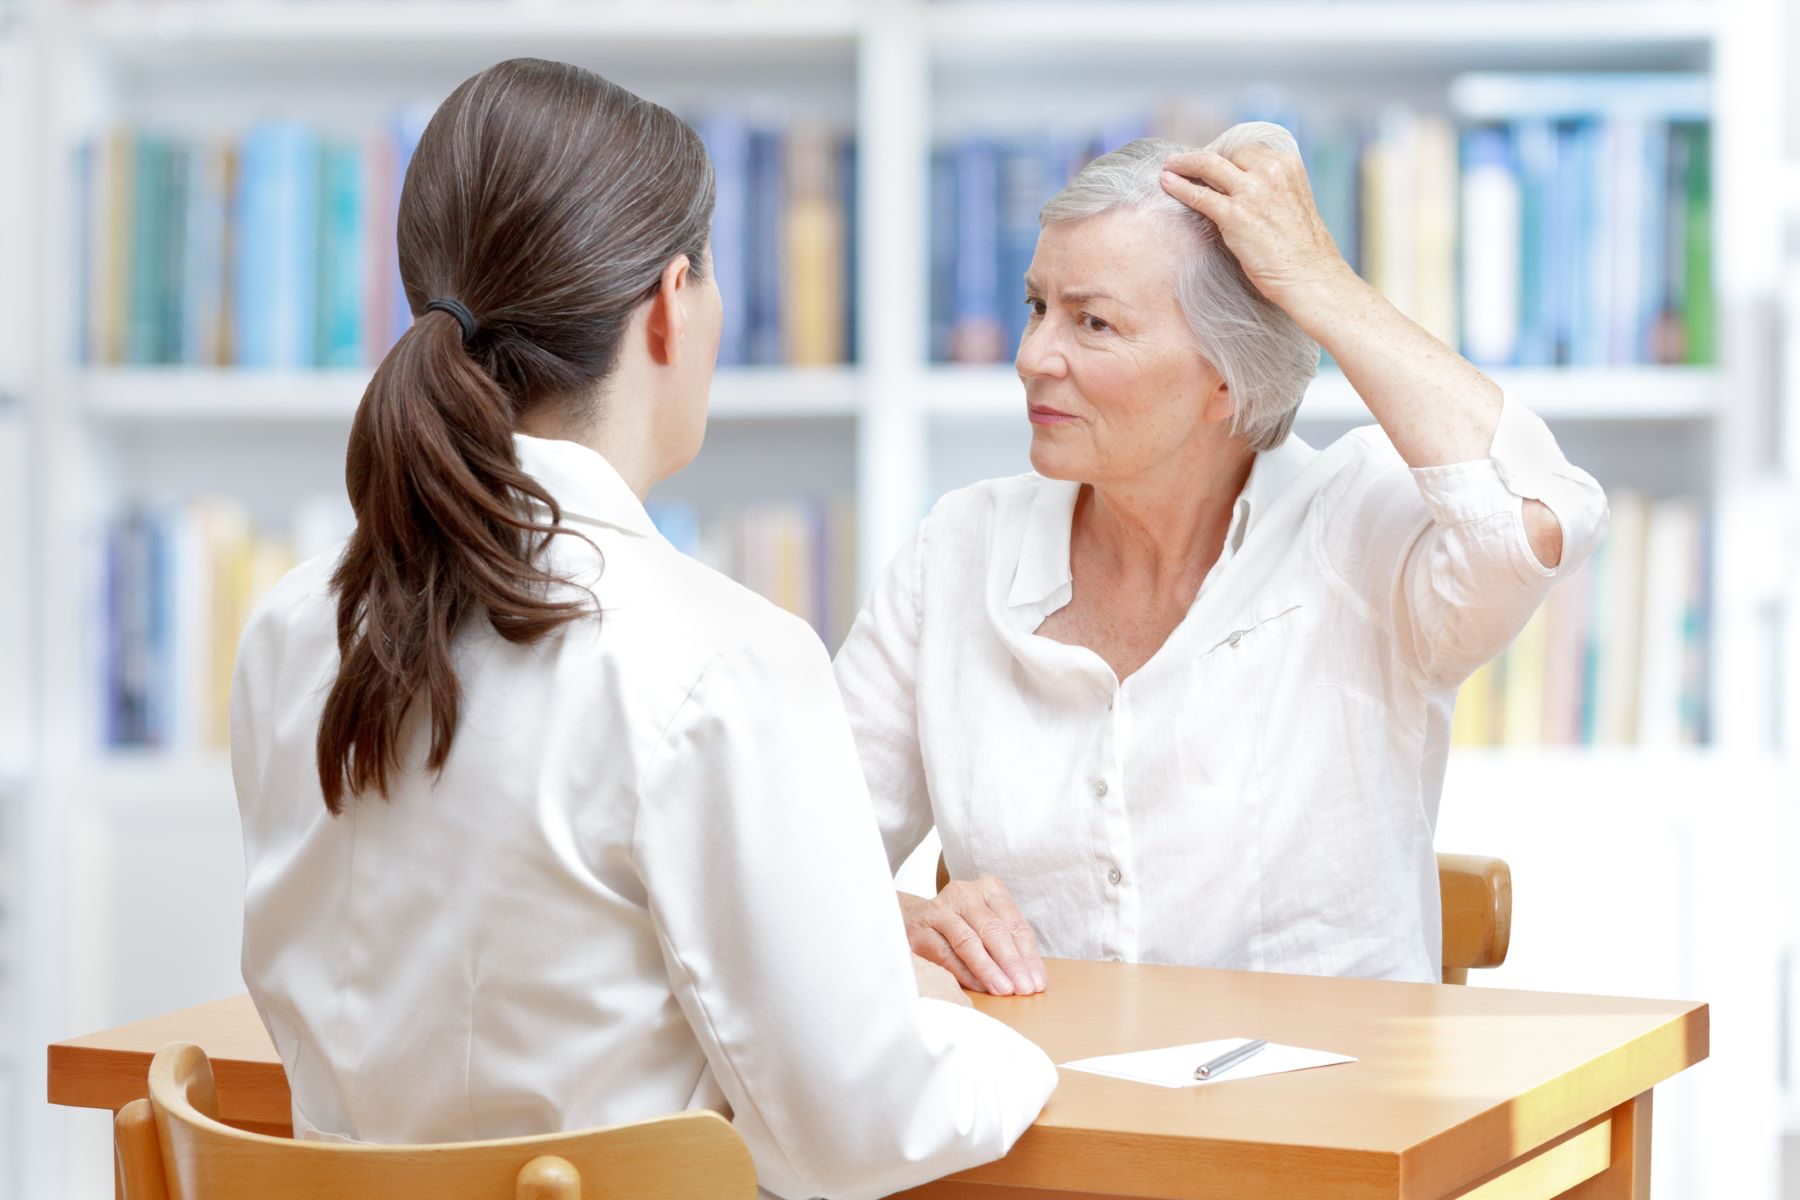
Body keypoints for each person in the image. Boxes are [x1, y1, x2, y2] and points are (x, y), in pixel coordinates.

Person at [232, 58, 1055, 1200]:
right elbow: (858, 1126)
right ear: (673, 302)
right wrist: (1019, 1055)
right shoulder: (719, 658)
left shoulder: (291, 627)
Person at [834, 124, 1607, 993]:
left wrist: (1316, 280)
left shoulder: (1356, 528)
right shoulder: (960, 550)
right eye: (1036, 306)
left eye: (1092, 322)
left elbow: (1531, 523)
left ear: (1225, 383)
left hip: (1322, 1111)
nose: (1030, 358)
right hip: (1048, 1108)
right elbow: (790, 854)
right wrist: (911, 920)